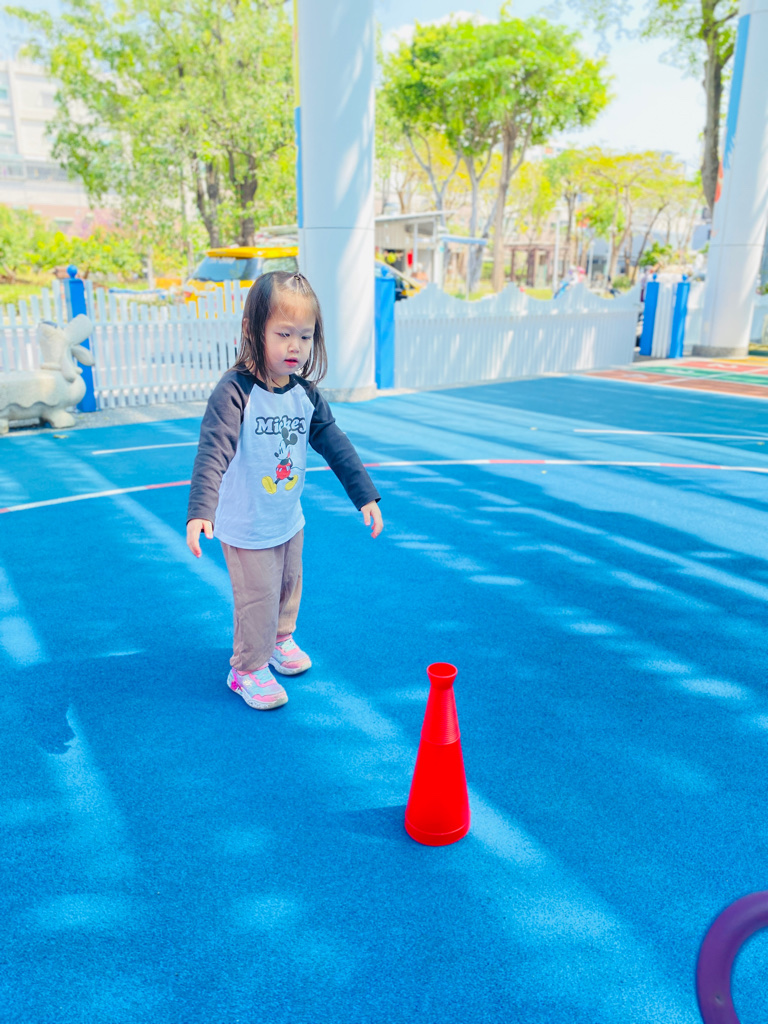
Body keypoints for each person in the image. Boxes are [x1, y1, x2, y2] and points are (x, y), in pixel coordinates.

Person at [186, 270, 383, 711]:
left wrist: (364, 494)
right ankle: (246, 668)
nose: (296, 346)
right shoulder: (235, 392)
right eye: (283, 334)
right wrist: (201, 510)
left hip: (287, 517)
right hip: (246, 524)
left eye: (305, 336)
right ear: (253, 330)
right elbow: (213, 450)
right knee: (257, 598)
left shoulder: (303, 394)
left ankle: (279, 640)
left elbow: (334, 441)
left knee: (289, 585)